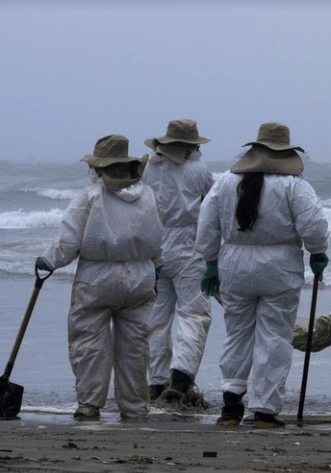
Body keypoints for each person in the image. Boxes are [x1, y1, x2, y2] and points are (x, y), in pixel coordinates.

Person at [196, 121, 329, 428]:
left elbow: (207, 224)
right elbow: (313, 227)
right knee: (274, 336)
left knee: (237, 332)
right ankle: (265, 411)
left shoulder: (226, 181)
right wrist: (318, 253)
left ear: (255, 151)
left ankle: (231, 405)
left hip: (234, 264)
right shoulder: (294, 185)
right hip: (279, 267)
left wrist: (211, 262)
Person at [35, 134, 163, 421]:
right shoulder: (149, 197)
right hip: (141, 277)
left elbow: (68, 244)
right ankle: (134, 406)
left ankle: (90, 403)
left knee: (89, 341)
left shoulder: (89, 197)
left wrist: (48, 260)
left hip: (97, 278)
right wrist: (156, 267)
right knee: (135, 346)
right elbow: (157, 241)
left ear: (100, 168)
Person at [142, 119, 215, 404]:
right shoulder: (199, 170)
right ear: (191, 146)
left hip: (155, 246)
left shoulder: (148, 168)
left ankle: (156, 381)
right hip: (188, 246)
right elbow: (211, 206)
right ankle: (181, 377)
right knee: (193, 314)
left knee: (156, 318)